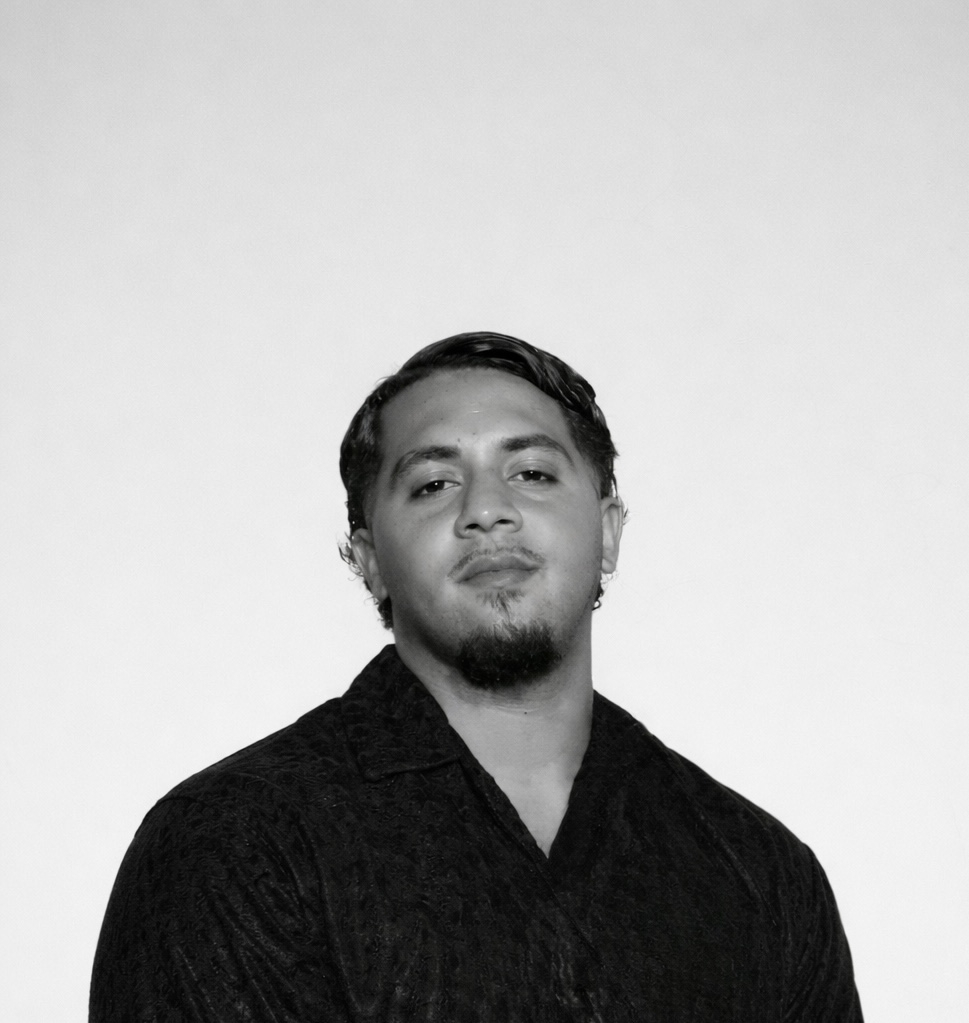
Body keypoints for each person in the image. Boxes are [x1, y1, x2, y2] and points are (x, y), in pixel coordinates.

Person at [90, 331, 863, 1021]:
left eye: (532, 472)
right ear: (369, 560)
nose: (487, 510)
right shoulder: (234, 843)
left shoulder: (759, 873)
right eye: (432, 484)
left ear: (606, 531)